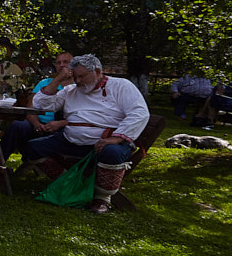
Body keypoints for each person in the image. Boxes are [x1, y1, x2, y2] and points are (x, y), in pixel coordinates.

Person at [26, 54, 149, 213]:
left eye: (82, 76)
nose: (77, 81)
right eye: (75, 76)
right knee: (33, 148)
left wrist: (116, 138)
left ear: (97, 71)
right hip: (71, 141)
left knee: (111, 152)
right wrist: (57, 79)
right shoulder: (70, 90)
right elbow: (41, 105)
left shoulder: (121, 86)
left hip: (105, 143)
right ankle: (68, 183)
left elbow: (139, 113)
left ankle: (102, 199)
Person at [0, 51, 73, 160]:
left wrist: (60, 124)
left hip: (64, 125)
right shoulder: (44, 83)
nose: (62, 65)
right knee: (17, 126)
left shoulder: (79, 86)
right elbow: (30, 108)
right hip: (39, 123)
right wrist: (36, 124)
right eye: (58, 63)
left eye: (66, 62)